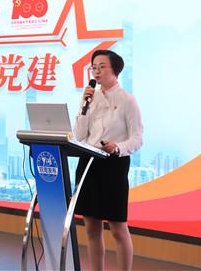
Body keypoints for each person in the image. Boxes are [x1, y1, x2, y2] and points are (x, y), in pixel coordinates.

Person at [73, 49, 143, 271]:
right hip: (88, 163)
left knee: (118, 229)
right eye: (94, 67)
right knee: (91, 228)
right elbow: (79, 135)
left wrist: (117, 147)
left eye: (102, 67)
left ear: (116, 70)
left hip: (113, 165)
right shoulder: (89, 98)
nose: (96, 71)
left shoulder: (127, 100)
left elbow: (137, 138)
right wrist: (84, 107)